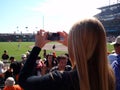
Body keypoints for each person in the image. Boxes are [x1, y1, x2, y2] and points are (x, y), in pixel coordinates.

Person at [18, 18, 115, 90]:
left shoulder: (61, 79)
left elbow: (24, 80)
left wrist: (37, 46)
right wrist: (73, 46)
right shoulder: (108, 77)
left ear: (76, 45)